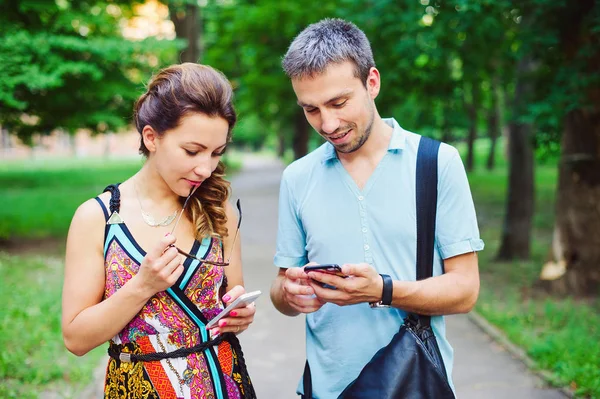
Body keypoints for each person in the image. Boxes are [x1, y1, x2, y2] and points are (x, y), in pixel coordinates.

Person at [270, 18, 484, 398]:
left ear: (372, 82)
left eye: (338, 102)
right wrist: (290, 295)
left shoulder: (436, 163)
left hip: (415, 381)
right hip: (325, 389)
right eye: (311, 109)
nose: (328, 123)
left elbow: (465, 290)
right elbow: (281, 288)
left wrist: (382, 289)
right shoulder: (297, 178)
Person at [62, 63, 256, 399]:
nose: (205, 168)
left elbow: (233, 296)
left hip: (224, 383)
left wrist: (239, 314)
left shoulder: (217, 211)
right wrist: (143, 286)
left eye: (216, 153)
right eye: (192, 151)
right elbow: (76, 339)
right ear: (151, 137)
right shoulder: (99, 218)